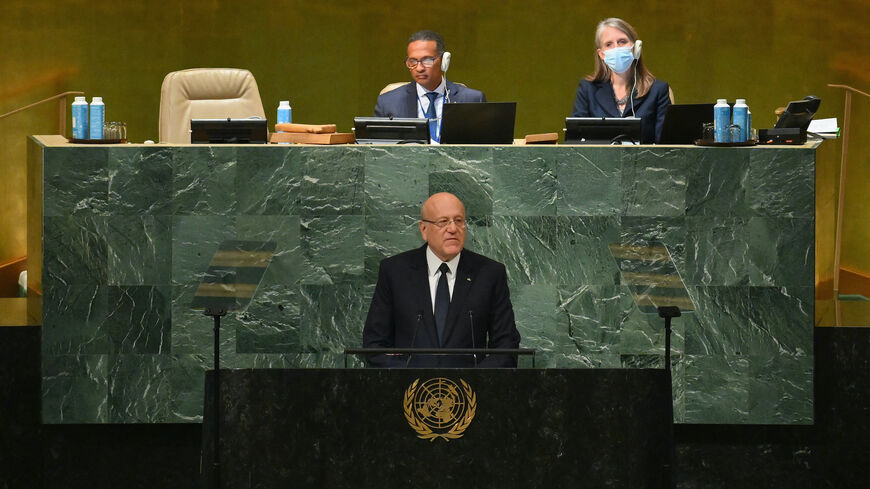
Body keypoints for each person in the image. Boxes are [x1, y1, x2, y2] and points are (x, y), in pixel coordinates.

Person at [362, 192, 521, 368]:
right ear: (423, 229)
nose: (453, 229)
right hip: (409, 392)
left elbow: (506, 346)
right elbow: (374, 345)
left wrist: (476, 380)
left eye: (459, 221)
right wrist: (409, 379)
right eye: (443, 222)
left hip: (471, 392)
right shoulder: (394, 271)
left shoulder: (489, 273)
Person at [373, 30, 486, 143]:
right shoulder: (388, 102)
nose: (419, 68)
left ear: (443, 61)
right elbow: (375, 150)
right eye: (413, 61)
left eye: (427, 60)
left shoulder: (472, 100)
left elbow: (485, 150)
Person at [570, 18, 671, 144]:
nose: (616, 48)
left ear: (636, 48)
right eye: (609, 44)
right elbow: (576, 143)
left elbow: (666, 147)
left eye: (622, 42)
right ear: (601, 54)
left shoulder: (658, 90)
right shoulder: (587, 89)